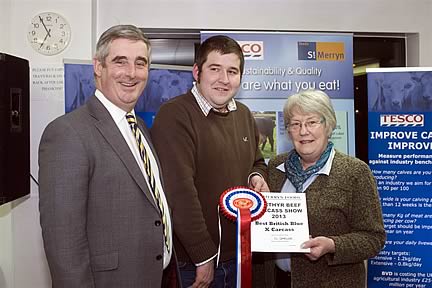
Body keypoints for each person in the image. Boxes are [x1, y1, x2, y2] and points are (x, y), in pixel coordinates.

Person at [39, 24, 178, 288]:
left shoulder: (140, 128)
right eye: (120, 61)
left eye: (141, 63)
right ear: (98, 67)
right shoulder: (67, 133)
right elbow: (63, 243)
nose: (131, 73)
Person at [151, 35, 270, 287]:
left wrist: (256, 176)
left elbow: (257, 162)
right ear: (197, 71)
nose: (224, 80)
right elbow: (179, 193)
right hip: (196, 262)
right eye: (214, 69)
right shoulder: (175, 115)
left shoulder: (245, 115)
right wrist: (203, 255)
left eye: (232, 71)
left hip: (240, 255)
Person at [266, 89, 386, 288]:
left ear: (328, 125)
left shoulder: (354, 172)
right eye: (295, 124)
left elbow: (374, 238)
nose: (303, 131)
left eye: (312, 122)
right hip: (278, 281)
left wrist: (332, 245)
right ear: (288, 131)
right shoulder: (276, 168)